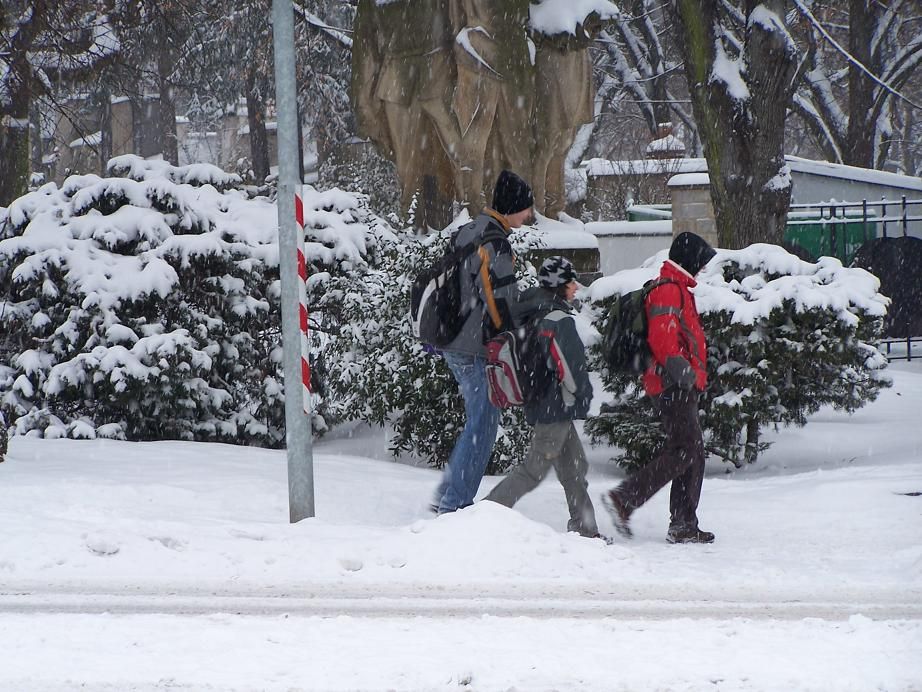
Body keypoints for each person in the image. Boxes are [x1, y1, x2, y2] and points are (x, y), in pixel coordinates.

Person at [602, 232, 717, 544]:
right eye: (700, 262)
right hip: (671, 384)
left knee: (692, 453)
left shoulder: (677, 288)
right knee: (685, 450)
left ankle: (682, 524)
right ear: (689, 259)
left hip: (675, 383)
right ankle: (625, 499)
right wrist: (687, 376)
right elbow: (663, 342)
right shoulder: (668, 290)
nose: (702, 269)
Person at [432, 170, 534, 514]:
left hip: (452, 336)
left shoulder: (468, 231)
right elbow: (497, 300)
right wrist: (513, 335)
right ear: (513, 207)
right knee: (483, 425)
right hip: (473, 345)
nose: (529, 216)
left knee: (478, 421)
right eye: (526, 209)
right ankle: (455, 502)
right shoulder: (496, 242)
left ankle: (449, 493)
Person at [484, 256, 602, 539]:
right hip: (555, 404)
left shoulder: (532, 312)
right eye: (571, 282)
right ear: (559, 286)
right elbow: (569, 368)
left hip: (542, 401)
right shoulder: (558, 319)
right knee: (533, 470)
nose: (576, 288)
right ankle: (484, 515)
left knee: (574, 468)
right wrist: (582, 395)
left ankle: (586, 531)